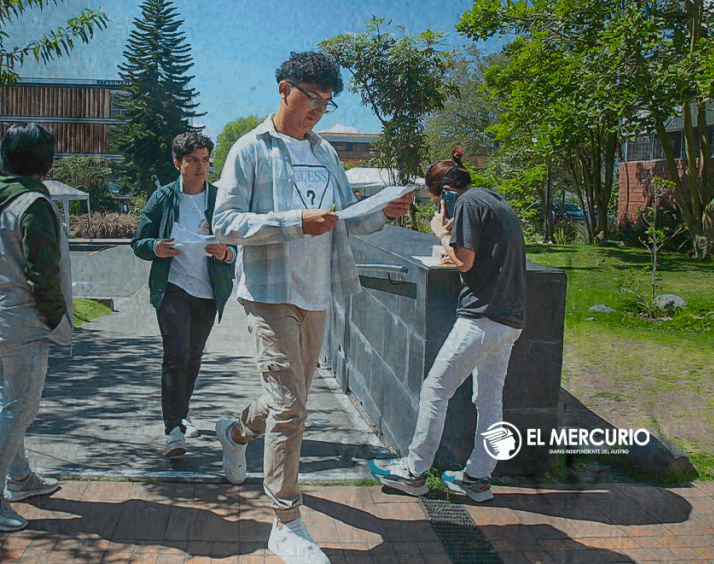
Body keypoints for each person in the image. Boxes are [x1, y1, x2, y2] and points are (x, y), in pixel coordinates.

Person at [212, 51, 415, 564]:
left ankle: (234, 432)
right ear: (284, 90)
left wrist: (383, 214)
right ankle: (285, 521)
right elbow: (225, 224)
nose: (318, 110)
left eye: (327, 102)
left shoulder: (325, 153)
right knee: (290, 407)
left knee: (288, 400)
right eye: (311, 98)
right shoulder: (250, 149)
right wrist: (292, 221)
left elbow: (343, 220)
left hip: (317, 292)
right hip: (268, 292)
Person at [369, 148, 527, 502]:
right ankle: (478, 478)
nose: (440, 211)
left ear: (445, 196)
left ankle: (414, 471)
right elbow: (484, 256)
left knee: (435, 389)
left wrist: (440, 233)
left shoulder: (467, 204)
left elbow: (466, 262)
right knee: (489, 400)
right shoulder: (493, 201)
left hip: (482, 317)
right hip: (510, 319)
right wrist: (453, 246)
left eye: (437, 203)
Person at [0, 123, 74, 532]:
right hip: (23, 323)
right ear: (45, 162)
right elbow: (42, 272)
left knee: (10, 404)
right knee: (18, 410)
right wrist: (55, 320)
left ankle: (21, 479)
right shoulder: (33, 204)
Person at [132, 132, 237, 457]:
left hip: (208, 293)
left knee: (192, 359)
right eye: (193, 160)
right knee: (175, 356)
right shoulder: (163, 198)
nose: (200, 167)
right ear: (178, 163)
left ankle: (182, 413)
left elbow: (236, 245)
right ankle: (173, 431)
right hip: (173, 289)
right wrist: (156, 248)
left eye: (205, 160)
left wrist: (225, 252)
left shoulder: (220, 200)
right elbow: (139, 243)